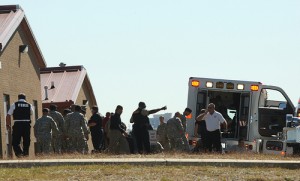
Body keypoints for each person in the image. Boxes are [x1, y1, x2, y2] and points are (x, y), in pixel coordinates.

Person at [6, 93, 33, 157]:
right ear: (25, 98)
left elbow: (8, 115)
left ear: (18, 98)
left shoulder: (14, 104)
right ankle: (25, 154)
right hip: (26, 124)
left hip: (17, 124)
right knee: (26, 140)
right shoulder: (29, 105)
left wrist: (8, 124)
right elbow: (31, 113)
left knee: (15, 141)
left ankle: (19, 153)